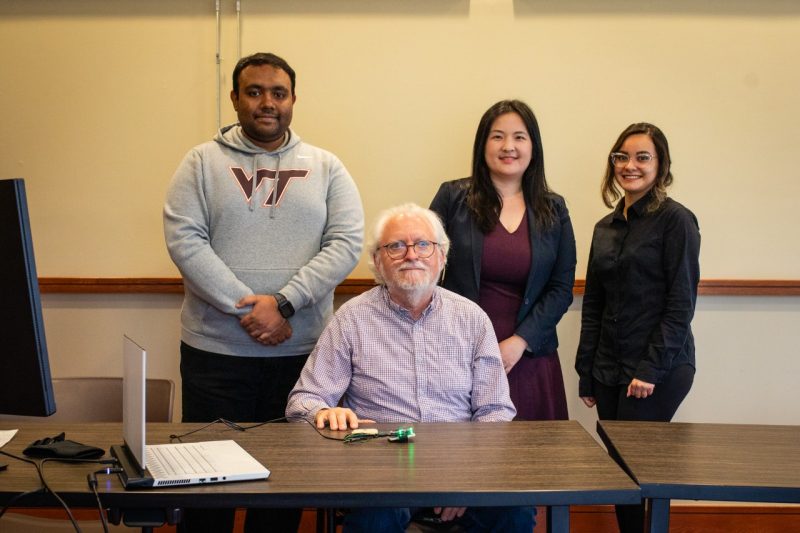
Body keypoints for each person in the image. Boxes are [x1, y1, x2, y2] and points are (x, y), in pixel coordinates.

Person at [163, 52, 364, 533]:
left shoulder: (327, 166)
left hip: (301, 358)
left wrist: (285, 303)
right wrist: (250, 309)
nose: (267, 102)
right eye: (254, 92)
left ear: (294, 100)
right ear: (235, 98)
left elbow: (347, 242)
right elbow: (184, 239)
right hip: (215, 355)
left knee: (283, 490)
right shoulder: (200, 162)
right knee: (206, 487)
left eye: (278, 93)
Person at [286, 203, 536, 533]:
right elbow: (303, 400)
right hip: (380, 473)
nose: (411, 255)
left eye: (422, 245)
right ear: (378, 261)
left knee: (516, 512)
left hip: (459, 466)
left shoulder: (472, 318)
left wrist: (470, 477)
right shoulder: (351, 318)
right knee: (374, 515)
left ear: (442, 257)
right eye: (395, 246)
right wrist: (322, 413)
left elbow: (495, 410)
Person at [575, 122, 700, 533]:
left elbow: (681, 304)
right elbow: (594, 302)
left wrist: (650, 369)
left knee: (639, 466)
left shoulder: (676, 221)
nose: (630, 165)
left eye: (642, 157)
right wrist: (586, 372)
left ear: (661, 166)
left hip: (658, 367)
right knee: (617, 466)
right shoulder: (604, 228)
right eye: (621, 157)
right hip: (609, 365)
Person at [430, 99, 576, 421]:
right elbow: (423, 267)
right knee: (464, 460)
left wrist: (520, 342)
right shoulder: (452, 198)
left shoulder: (554, 208)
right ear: (483, 145)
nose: (508, 146)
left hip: (530, 357)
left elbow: (561, 287)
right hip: (459, 353)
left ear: (533, 147)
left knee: (533, 462)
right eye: (497, 136)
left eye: (519, 137)